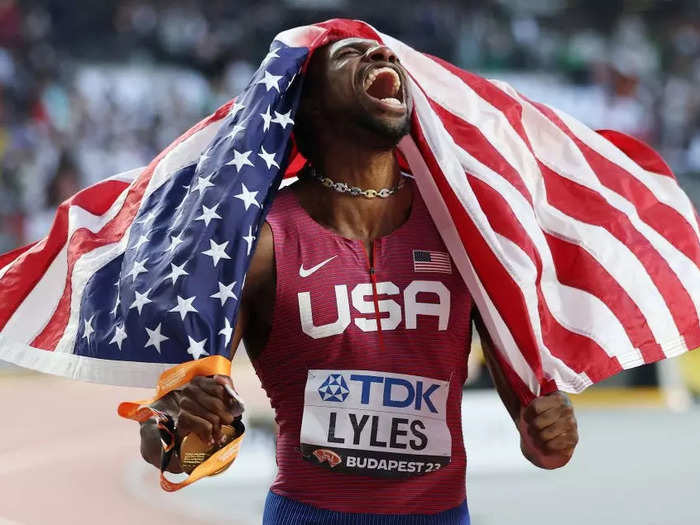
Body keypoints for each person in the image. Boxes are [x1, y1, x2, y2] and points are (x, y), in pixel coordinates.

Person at [139, 37, 579, 524]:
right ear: (311, 105)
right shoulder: (262, 243)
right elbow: (179, 456)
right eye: (349, 55)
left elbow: (543, 448)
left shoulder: (462, 227)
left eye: (390, 55)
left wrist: (546, 428)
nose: (385, 56)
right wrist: (185, 430)